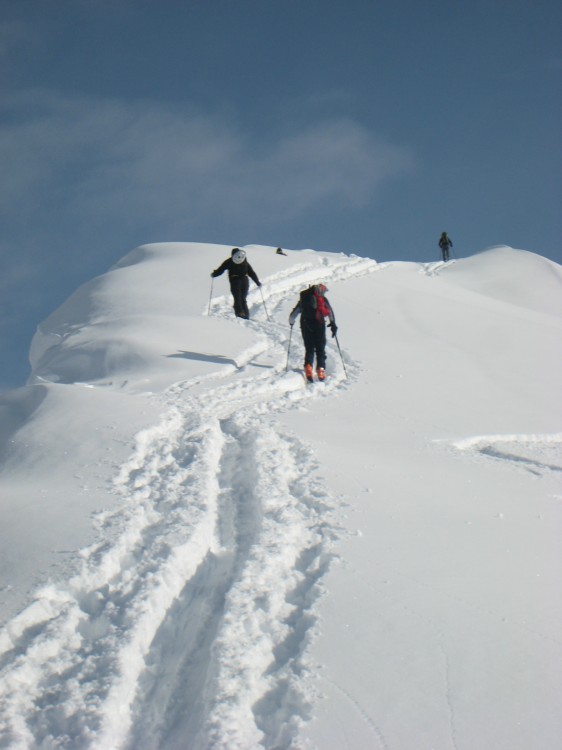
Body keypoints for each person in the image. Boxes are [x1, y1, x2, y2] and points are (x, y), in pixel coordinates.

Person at [289, 283, 337, 382]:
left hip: (306, 324)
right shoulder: (323, 299)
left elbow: (293, 315)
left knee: (309, 347)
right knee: (320, 348)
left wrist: (291, 322)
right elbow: (330, 312)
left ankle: (308, 367)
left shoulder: (304, 299)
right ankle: (321, 369)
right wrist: (333, 324)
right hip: (319, 324)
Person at [211, 248, 261, 319]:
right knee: (243, 299)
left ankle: (240, 315)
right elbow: (251, 272)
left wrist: (214, 274)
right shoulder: (244, 261)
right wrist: (257, 282)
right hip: (245, 281)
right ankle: (246, 316)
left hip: (235, 281)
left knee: (237, 298)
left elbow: (221, 270)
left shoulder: (229, 261)